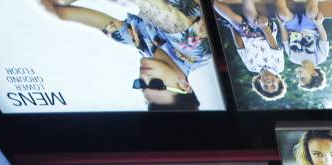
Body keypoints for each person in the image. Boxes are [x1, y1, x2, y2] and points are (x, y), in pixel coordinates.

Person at [38, 0, 208, 110]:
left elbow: (59, 13)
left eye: (141, 84)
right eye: (156, 84)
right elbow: (144, 4)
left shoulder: (140, 43)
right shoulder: (195, 50)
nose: (145, 76)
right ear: (185, 85)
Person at [215, 0, 288, 100]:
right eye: (273, 86)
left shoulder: (251, 67)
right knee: (252, 19)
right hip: (264, 32)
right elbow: (274, 46)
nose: (268, 83)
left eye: (265, 86)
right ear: (278, 81)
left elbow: (240, 46)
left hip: (246, 34)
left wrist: (233, 27)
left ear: (259, 83)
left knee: (234, 19)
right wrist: (264, 27)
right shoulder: (278, 68)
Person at [274, 0, 329, 91]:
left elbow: (285, 41)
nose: (298, 76)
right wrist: (319, 25)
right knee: (311, 12)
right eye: (302, 78)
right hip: (310, 26)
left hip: (293, 28)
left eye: (298, 79)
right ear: (314, 73)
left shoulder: (294, 58)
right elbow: (324, 39)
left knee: (282, 14)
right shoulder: (320, 57)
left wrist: (281, 24)